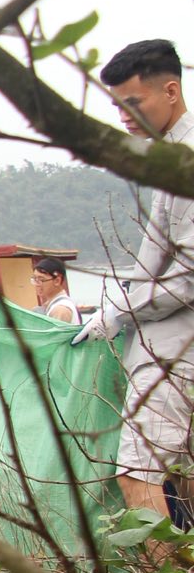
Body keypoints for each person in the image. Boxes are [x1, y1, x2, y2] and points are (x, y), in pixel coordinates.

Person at [73, 39, 194, 524]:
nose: (124, 116)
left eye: (133, 102)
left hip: (177, 347)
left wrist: (117, 312)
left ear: (170, 91)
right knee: (182, 477)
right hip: (166, 342)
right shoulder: (169, 161)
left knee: (136, 475)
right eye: (116, 106)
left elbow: (187, 279)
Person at [31, 258, 79, 324]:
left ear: (57, 281)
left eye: (41, 280)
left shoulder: (60, 310)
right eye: (35, 279)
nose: (37, 284)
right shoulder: (52, 305)